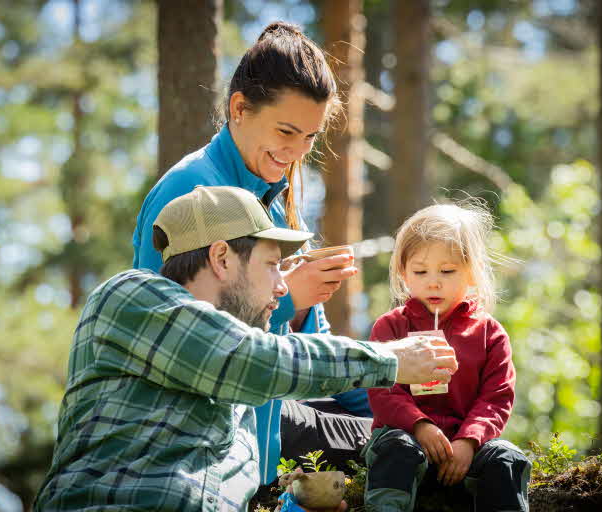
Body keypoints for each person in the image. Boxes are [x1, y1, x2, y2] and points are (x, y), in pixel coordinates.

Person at [34, 186, 458, 511]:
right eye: (272, 265)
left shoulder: (240, 403)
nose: (281, 286)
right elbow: (253, 360)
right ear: (221, 258)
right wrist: (391, 358)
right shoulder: (129, 297)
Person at [132, 21, 371, 484]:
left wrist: (392, 407)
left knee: (396, 448)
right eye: (286, 130)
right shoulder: (191, 191)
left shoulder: (272, 201)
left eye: (310, 138)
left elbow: (310, 353)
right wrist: (290, 301)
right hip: (198, 460)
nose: (296, 151)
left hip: (260, 448)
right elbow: (176, 345)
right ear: (239, 108)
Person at [363, 202, 531, 512]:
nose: (433, 281)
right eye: (420, 271)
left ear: (471, 271)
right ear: (403, 273)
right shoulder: (391, 326)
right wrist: (419, 426)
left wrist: (469, 441)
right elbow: (383, 390)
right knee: (396, 447)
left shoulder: (488, 333)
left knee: (507, 457)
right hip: (407, 443)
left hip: (466, 456)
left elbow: (496, 397)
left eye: (447, 270)